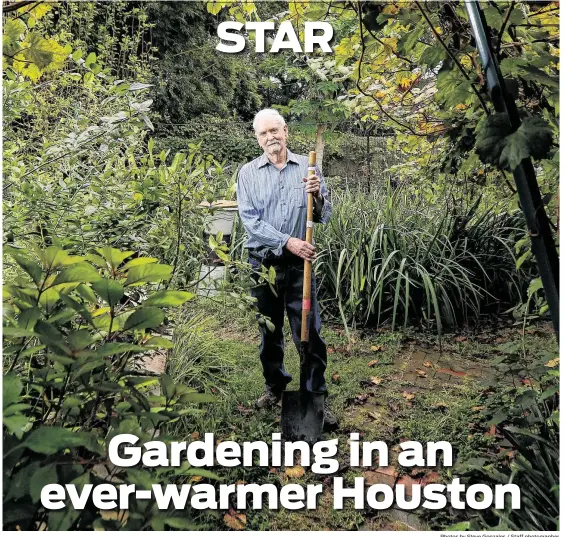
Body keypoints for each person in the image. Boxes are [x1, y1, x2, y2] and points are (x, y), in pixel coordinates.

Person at [236, 108, 337, 430]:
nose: (270, 138)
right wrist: (288, 241)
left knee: (309, 334)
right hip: (262, 264)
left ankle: (314, 397)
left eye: (275, 131)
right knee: (269, 332)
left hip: (299, 268)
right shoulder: (248, 174)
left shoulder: (308, 170)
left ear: (286, 131)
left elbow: (324, 215)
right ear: (257, 138)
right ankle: (275, 387)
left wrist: (317, 195)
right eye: (264, 133)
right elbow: (250, 222)